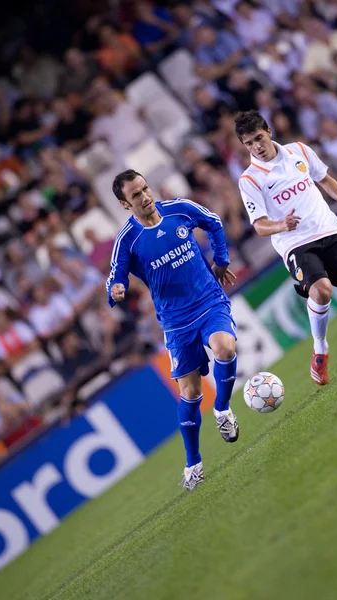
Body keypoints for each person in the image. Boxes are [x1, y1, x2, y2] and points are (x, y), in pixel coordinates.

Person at [235, 110, 337, 386]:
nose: (256, 147)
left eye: (258, 138)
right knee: (321, 291)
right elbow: (260, 225)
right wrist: (280, 226)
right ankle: (320, 349)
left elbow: (324, 179)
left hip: (328, 228)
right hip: (295, 242)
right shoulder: (249, 180)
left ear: (269, 131)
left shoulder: (299, 150)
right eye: (248, 143)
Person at [107, 170, 238, 490]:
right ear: (126, 204)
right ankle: (193, 462)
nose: (145, 196)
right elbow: (116, 275)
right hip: (176, 322)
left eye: (145, 188)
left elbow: (214, 222)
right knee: (191, 393)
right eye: (136, 195)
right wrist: (117, 290)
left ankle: (221, 407)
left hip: (208, 301)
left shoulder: (179, 208)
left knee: (225, 347)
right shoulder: (128, 240)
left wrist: (221, 259)